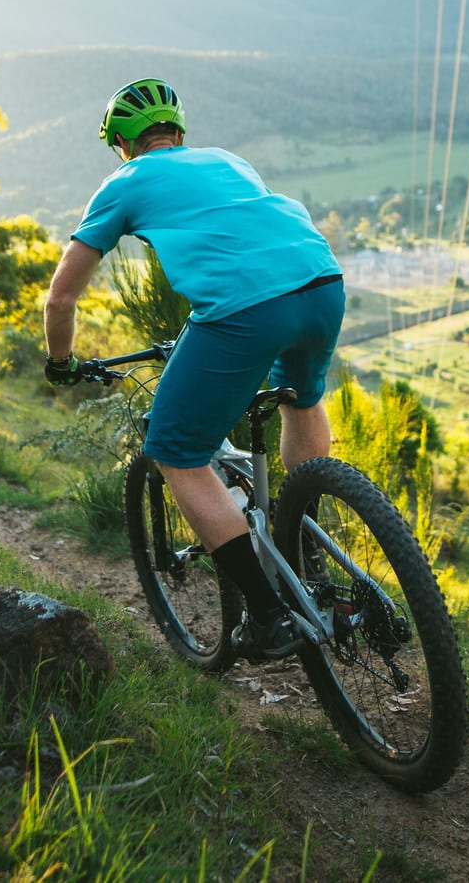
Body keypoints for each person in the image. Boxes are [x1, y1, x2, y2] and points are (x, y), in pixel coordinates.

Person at [42, 78, 344, 658]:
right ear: (178, 132)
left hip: (241, 312)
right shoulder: (228, 161)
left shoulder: (124, 181)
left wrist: (61, 363)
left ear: (122, 145)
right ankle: (312, 557)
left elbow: (60, 298)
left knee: (176, 453)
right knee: (300, 399)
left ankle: (267, 615)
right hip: (322, 281)